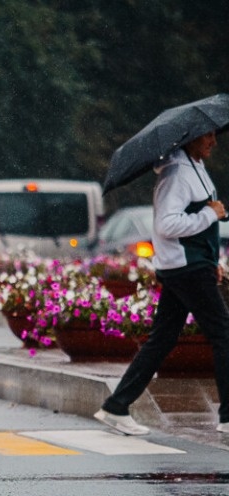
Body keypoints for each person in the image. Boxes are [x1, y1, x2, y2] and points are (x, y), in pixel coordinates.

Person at [95, 130, 229, 436]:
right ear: (190, 138)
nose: (214, 142)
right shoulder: (177, 174)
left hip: (191, 266)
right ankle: (228, 417)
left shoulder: (195, 168)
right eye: (207, 137)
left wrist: (211, 261)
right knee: (223, 333)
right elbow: (167, 225)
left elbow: (196, 229)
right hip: (184, 268)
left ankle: (117, 406)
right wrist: (209, 214)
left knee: (164, 338)